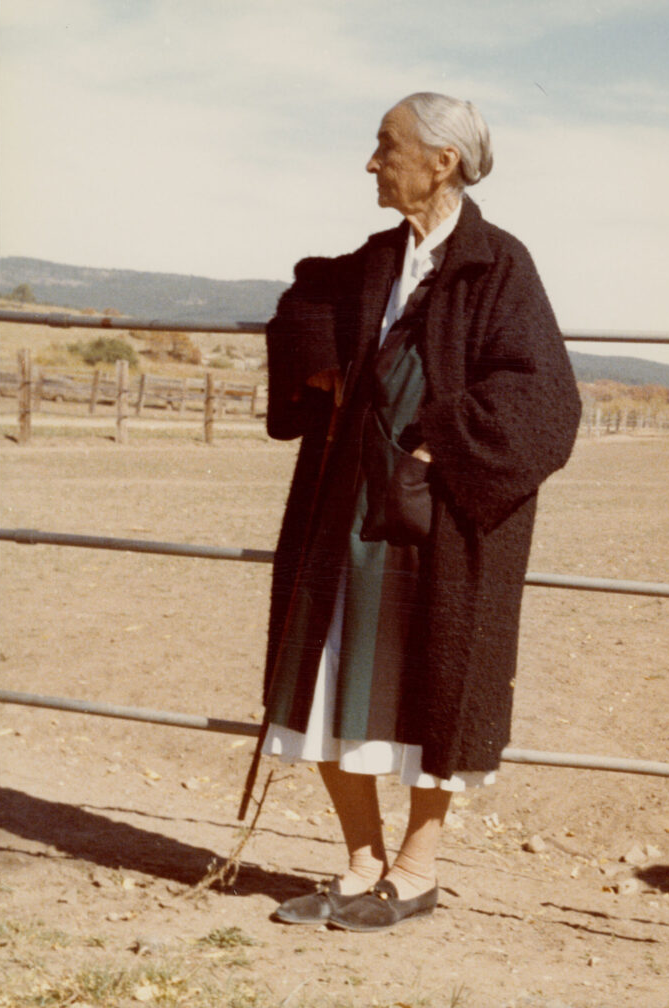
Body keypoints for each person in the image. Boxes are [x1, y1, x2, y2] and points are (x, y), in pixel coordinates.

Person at [254, 92, 581, 932]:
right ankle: (360, 862)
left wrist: (443, 444)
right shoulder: (375, 259)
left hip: (444, 516)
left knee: (438, 677)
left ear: (442, 162)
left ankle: (416, 869)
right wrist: (321, 364)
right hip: (345, 506)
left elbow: (543, 398)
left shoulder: (499, 266)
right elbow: (303, 295)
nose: (371, 162)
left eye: (385, 146)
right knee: (326, 668)